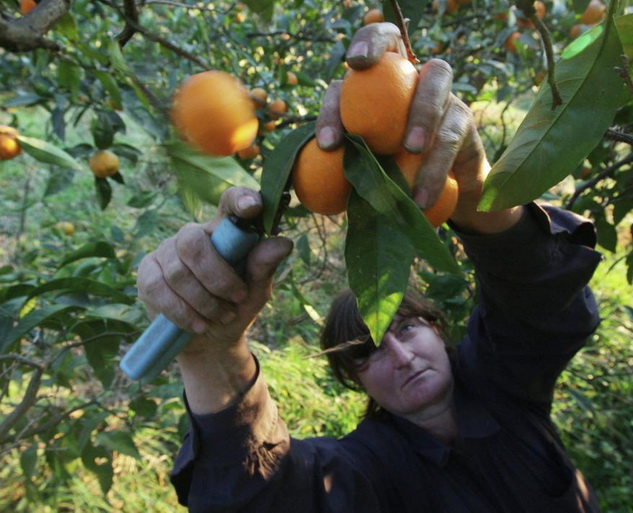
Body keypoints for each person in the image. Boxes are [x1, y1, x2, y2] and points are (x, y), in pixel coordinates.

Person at [136, 23, 604, 513]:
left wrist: (476, 196)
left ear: (437, 327)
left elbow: (546, 303)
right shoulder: (367, 468)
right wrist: (213, 355)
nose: (401, 356)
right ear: (354, 382)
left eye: (405, 327)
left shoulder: (503, 382)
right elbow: (267, 494)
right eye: (370, 354)